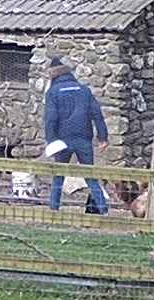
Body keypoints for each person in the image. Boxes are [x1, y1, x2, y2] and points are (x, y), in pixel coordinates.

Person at [41, 56, 109, 214]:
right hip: (83, 139)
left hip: (62, 140)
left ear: (53, 76)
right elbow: (97, 114)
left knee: (58, 176)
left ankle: (54, 209)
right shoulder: (84, 90)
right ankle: (103, 209)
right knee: (90, 176)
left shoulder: (53, 92)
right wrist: (103, 137)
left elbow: (51, 119)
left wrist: (51, 141)